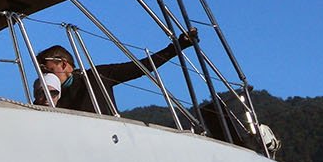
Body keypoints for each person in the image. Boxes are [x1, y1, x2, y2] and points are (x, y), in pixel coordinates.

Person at [31, 29, 199, 113]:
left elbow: (141, 67)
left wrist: (177, 46)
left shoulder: (97, 75)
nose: (45, 75)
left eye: (47, 69)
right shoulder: (49, 95)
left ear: (63, 64)